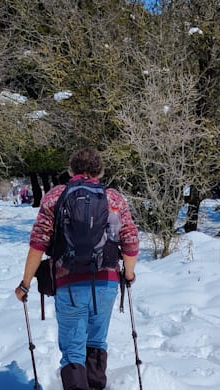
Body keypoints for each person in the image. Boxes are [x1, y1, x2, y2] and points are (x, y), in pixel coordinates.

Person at [14, 148, 139, 390]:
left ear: (71, 170)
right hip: (107, 281)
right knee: (96, 340)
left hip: (68, 282)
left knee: (73, 349)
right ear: (100, 171)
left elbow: (38, 243)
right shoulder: (113, 199)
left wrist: (25, 283)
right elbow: (131, 240)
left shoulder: (55, 197)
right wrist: (129, 274)